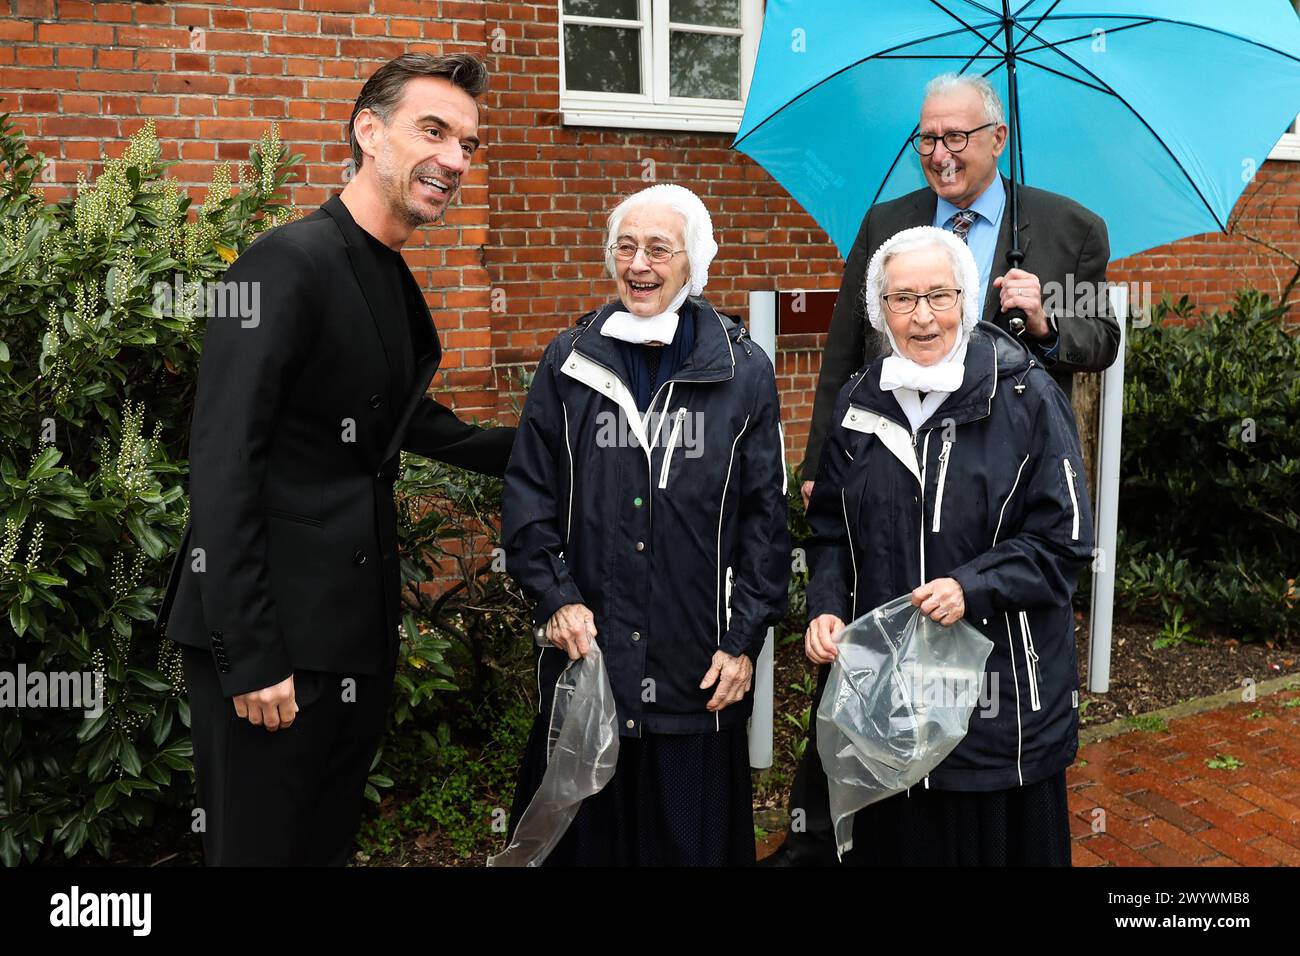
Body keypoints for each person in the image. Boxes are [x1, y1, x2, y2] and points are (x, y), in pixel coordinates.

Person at [155, 53, 515, 866]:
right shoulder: (286, 264)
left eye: (469, 144)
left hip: (352, 643)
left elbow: (406, 422)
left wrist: (555, 446)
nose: (456, 160)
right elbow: (222, 463)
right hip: (271, 648)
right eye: (435, 131)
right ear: (367, 132)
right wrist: (250, 657)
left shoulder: (386, 272)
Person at [768, 71, 1117, 866]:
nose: (941, 151)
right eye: (927, 136)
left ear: (998, 138)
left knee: (985, 748)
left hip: (1003, 490)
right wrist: (827, 464)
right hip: (891, 480)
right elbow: (843, 358)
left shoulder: (1067, 226)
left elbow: (1100, 342)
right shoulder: (887, 223)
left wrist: (1046, 318)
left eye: (958, 136)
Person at [501, 184, 790, 866]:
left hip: (697, 667)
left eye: (659, 248)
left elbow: (765, 524)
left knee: (688, 844)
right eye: (625, 247)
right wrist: (556, 597)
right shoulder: (569, 360)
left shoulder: (742, 371)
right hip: (588, 658)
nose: (639, 264)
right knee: (584, 845)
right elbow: (528, 496)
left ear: (695, 262)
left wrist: (744, 640)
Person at [803, 225, 1093, 865]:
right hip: (890, 703)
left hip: (999, 704)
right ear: (880, 310)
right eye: (903, 299)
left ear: (966, 301)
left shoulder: (1025, 395)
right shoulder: (858, 402)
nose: (923, 316)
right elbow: (829, 531)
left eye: (940, 295)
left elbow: (1065, 543)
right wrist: (825, 604)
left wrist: (973, 586)